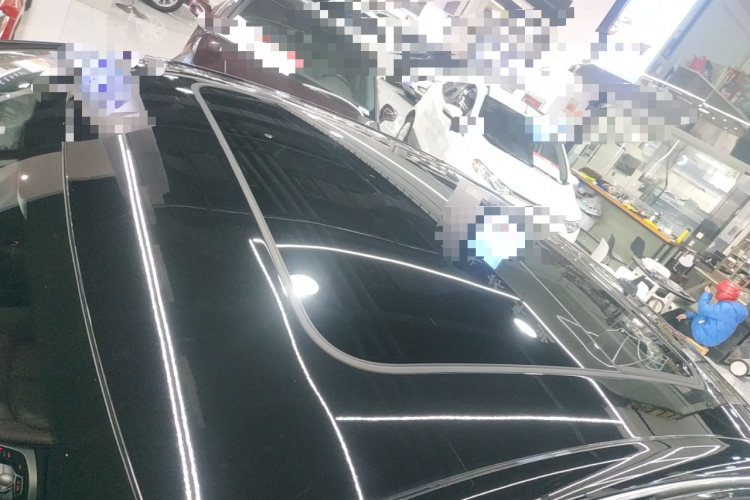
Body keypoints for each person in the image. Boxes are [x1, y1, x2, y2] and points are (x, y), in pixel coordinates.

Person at [666, 281, 748, 348]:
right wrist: (689, 315)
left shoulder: (727, 308)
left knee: (675, 319)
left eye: (718, 291)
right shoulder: (732, 308)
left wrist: (707, 294)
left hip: (701, 335)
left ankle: (659, 333)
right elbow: (706, 317)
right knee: (682, 313)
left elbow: (703, 310)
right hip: (705, 335)